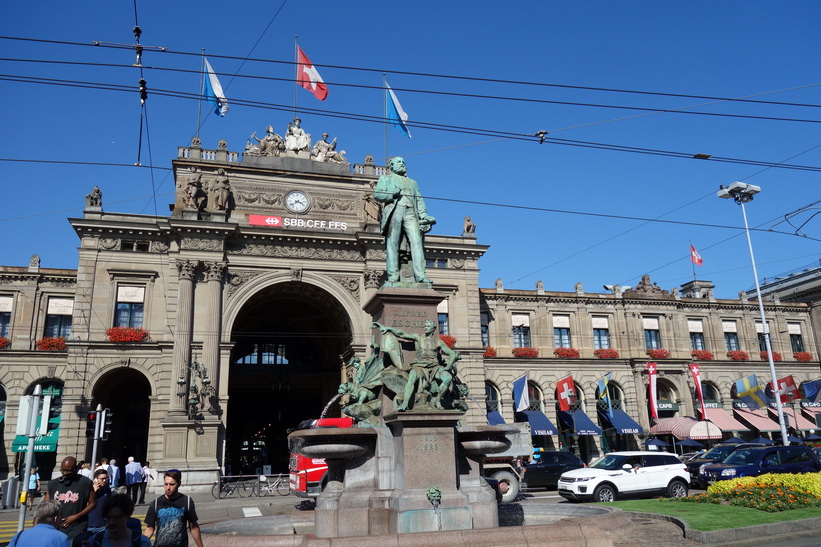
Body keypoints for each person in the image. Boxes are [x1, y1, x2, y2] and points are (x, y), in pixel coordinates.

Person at [373, 157, 436, 283]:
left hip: (411, 212)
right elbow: (377, 195)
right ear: (392, 166)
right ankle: (393, 275)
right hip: (395, 211)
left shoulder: (412, 182)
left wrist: (424, 215)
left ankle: (420, 275)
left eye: (403, 162)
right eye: (399, 162)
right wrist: (392, 194)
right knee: (393, 243)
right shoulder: (385, 179)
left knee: (417, 242)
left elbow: (419, 200)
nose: (402, 164)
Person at [373, 319, 458, 411]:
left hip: (434, 367)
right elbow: (402, 334)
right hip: (419, 366)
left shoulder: (438, 342)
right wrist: (388, 328)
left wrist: (448, 367)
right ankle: (405, 403)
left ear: (434, 329)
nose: (426, 328)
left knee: (447, 378)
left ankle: (438, 401)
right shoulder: (419, 338)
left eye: (428, 326)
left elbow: (452, 354)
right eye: (425, 326)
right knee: (412, 377)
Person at [143, 470, 203, 547]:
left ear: (179, 484)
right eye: (166, 484)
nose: (168, 487)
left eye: (172, 484)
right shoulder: (156, 503)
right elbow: (150, 529)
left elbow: (194, 527)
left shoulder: (187, 501)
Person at [44, 456, 96, 545]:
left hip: (77, 528)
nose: (65, 473)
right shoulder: (53, 484)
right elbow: (45, 505)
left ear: (76, 469)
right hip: (55, 529)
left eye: (68, 470)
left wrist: (76, 517)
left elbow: (93, 503)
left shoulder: (85, 482)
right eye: (63, 470)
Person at [87, 494, 151, 547]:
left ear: (128, 515)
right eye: (108, 517)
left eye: (116, 517)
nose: (111, 522)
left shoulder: (142, 543)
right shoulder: (95, 541)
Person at [85, 468, 112, 536]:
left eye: (106, 478)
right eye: (102, 478)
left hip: (102, 525)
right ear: (96, 479)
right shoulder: (89, 490)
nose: (104, 480)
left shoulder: (107, 490)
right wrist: (94, 492)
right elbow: (85, 505)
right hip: (89, 525)